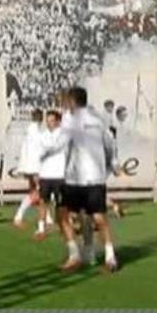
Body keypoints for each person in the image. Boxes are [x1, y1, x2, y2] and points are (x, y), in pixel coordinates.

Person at [42, 86, 118, 273]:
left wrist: (45, 153)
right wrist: (113, 164)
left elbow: (60, 143)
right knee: (98, 217)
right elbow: (110, 144)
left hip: (75, 179)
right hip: (95, 178)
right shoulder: (98, 120)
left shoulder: (70, 120)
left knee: (62, 215)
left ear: (73, 102)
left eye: (67, 100)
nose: (65, 104)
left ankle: (74, 254)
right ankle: (109, 257)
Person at [34, 110, 67, 241]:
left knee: (61, 204)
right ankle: (41, 228)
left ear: (58, 121)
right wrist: (37, 172)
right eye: (47, 121)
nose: (49, 124)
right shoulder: (42, 136)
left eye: (52, 121)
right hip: (45, 174)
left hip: (60, 174)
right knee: (43, 202)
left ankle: (63, 226)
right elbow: (37, 155)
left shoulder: (64, 136)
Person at [13, 109, 44, 229]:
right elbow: (39, 151)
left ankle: (47, 218)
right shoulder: (37, 133)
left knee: (36, 193)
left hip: (28, 167)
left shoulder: (29, 131)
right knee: (38, 193)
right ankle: (18, 216)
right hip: (35, 167)